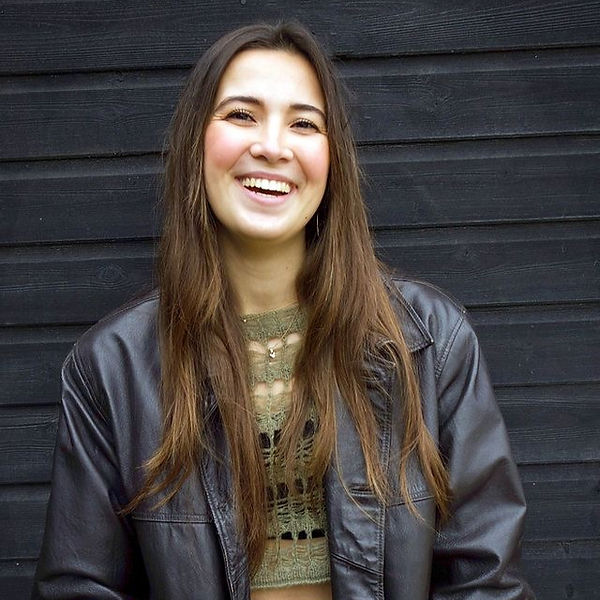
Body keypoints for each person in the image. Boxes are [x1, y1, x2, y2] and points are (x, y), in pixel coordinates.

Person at [31, 22, 534, 600]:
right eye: (242, 115)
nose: (273, 146)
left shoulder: (431, 342)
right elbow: (79, 586)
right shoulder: (110, 368)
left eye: (304, 123)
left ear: (332, 157)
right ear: (195, 141)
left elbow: (485, 582)